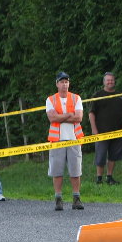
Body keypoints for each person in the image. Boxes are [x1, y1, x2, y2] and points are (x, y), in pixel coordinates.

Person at [46, 72, 85, 210]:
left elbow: (79, 118)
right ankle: (58, 199)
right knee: (57, 172)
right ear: (57, 84)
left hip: (74, 139)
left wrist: (61, 116)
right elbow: (52, 118)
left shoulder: (76, 98)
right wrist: (69, 114)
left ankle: (76, 198)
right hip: (57, 140)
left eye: (66, 82)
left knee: (75, 171)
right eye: (62, 82)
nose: (64, 84)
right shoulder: (50, 99)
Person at [88, 72, 122, 185]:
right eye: (108, 80)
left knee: (113, 155)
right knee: (101, 155)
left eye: (112, 80)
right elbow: (91, 113)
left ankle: (109, 177)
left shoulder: (120, 95)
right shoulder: (97, 95)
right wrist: (94, 130)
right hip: (101, 132)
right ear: (104, 82)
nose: (110, 82)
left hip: (117, 131)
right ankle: (99, 179)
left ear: (114, 81)